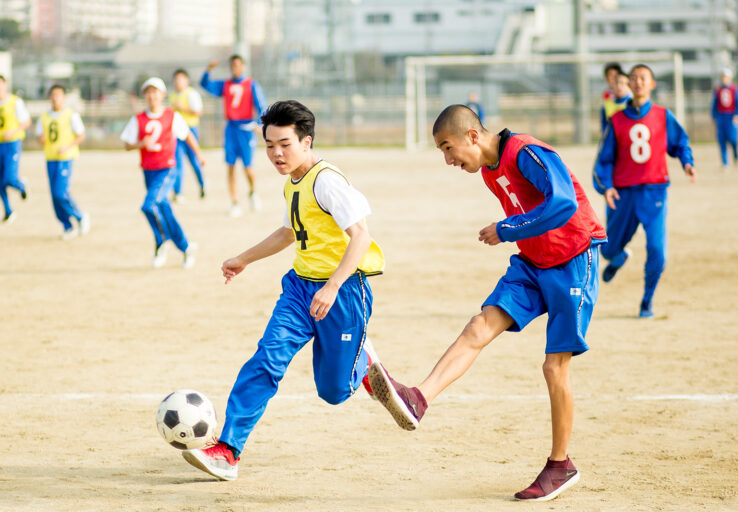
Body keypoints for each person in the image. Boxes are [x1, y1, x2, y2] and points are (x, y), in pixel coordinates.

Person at [368, 104, 606, 502]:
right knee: (479, 326)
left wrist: (508, 227)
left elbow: (563, 203)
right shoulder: (490, 170)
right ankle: (418, 398)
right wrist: (515, 231)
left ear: (472, 136)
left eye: (448, 148)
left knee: (553, 367)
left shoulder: (526, 152)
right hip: (533, 261)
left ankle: (560, 465)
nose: (448, 160)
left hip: (573, 260)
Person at [181, 100, 386, 481]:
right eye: (270, 144)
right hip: (298, 289)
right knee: (266, 359)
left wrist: (332, 285)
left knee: (334, 392)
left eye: (285, 144)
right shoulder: (292, 183)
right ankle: (228, 450)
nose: (276, 153)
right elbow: (290, 232)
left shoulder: (326, 180)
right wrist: (244, 258)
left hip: (342, 292)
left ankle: (364, 362)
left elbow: (361, 237)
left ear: (306, 141)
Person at [593, 64, 696, 318]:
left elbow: (680, 143)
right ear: (629, 84)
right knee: (607, 249)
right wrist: (606, 188)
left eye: (643, 78)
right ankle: (617, 257)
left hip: (654, 193)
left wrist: (687, 162)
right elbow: (603, 161)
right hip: (623, 195)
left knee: (658, 252)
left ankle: (647, 301)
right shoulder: (616, 121)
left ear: (652, 84)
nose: (638, 82)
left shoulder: (662, 116)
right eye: (634, 79)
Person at [120, 77, 205, 269]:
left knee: (148, 205)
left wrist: (199, 155)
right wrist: (141, 144)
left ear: (163, 95)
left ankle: (161, 240)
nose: (152, 96)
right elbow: (126, 144)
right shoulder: (139, 119)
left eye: (155, 92)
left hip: (167, 169)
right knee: (164, 208)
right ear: (145, 96)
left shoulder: (171, 116)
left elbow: (188, 135)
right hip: (149, 171)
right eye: (148, 92)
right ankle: (185, 246)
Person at [200, 55, 267, 217]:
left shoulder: (251, 84)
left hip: (246, 130)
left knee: (248, 168)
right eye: (233, 66)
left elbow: (261, 106)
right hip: (231, 129)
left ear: (243, 66)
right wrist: (208, 70)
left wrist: (260, 123)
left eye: (238, 65)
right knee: (230, 167)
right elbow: (205, 85)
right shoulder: (226, 84)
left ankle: (252, 192)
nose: (235, 68)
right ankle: (235, 202)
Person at [35, 84, 90, 239]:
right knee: (54, 195)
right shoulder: (44, 117)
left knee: (60, 192)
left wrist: (67, 147)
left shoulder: (70, 115)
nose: (55, 98)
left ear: (63, 98)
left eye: (58, 95)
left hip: (65, 158)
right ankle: (67, 226)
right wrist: (41, 139)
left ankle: (80, 216)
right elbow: (40, 137)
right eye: (53, 95)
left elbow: (80, 135)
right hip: (50, 158)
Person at [169, 69, 206, 200]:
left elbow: (198, 112)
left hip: (190, 129)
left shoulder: (191, 94)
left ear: (186, 80)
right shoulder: (172, 95)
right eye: (176, 79)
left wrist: (181, 107)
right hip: (176, 132)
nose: (178, 82)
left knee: (193, 160)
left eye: (181, 79)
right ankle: (178, 192)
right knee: (177, 162)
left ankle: (202, 185)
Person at [0, 75, 30, 224]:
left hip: (12, 144)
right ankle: (8, 211)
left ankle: (21, 185)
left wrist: (13, 132)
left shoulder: (15, 102)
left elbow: (26, 122)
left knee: (9, 178)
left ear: (5, 85)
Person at [711, 68, 738, 168]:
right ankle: (725, 162)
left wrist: (737, 115)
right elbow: (714, 104)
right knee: (721, 139)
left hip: (731, 116)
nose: (724, 79)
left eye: (726, 77)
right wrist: (714, 116)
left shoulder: (734, 89)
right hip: (721, 116)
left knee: (733, 139)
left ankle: (736, 156)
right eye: (723, 77)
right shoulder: (718, 89)